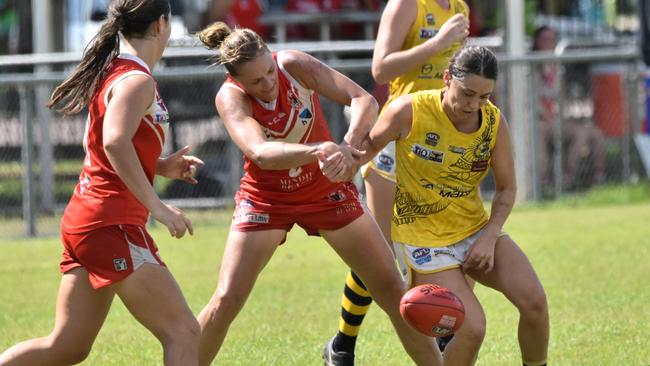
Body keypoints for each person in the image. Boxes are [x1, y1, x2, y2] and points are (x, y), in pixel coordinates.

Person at [194, 22, 443, 366]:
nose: (267, 84)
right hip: (267, 198)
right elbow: (261, 153)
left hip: (326, 190)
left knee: (393, 291)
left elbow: (363, 99)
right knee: (225, 300)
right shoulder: (229, 97)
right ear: (236, 79)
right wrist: (319, 151)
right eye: (256, 81)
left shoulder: (294, 65)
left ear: (272, 55)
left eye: (269, 71)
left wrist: (347, 146)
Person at [0, 1, 204, 365]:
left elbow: (95, 145)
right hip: (110, 223)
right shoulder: (136, 79)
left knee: (67, 347)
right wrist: (157, 206)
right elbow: (112, 142)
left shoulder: (117, 71)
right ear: (161, 24)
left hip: (87, 220)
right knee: (184, 332)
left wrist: (160, 166)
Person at [323, 45, 550, 366]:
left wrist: (489, 235)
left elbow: (507, 189)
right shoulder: (408, 111)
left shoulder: (493, 123)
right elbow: (364, 152)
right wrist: (339, 162)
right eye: (467, 93)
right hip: (424, 243)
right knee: (471, 328)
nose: (474, 105)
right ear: (447, 79)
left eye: (484, 96)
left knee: (535, 302)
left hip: (473, 231)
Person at [324, 0, 470, 363]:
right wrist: (436, 44)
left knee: (447, 240)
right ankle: (342, 343)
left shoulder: (460, 7)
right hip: (397, 138)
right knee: (381, 253)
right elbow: (381, 68)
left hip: (441, 147)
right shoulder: (407, 5)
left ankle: (440, 330)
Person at [533, 25, 606, 192]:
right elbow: (530, 102)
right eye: (545, 40)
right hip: (541, 121)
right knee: (540, 132)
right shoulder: (530, 68)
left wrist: (561, 116)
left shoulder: (558, 68)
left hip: (558, 120)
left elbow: (563, 100)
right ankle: (543, 182)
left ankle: (576, 176)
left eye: (552, 40)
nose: (549, 44)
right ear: (537, 42)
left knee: (592, 133)